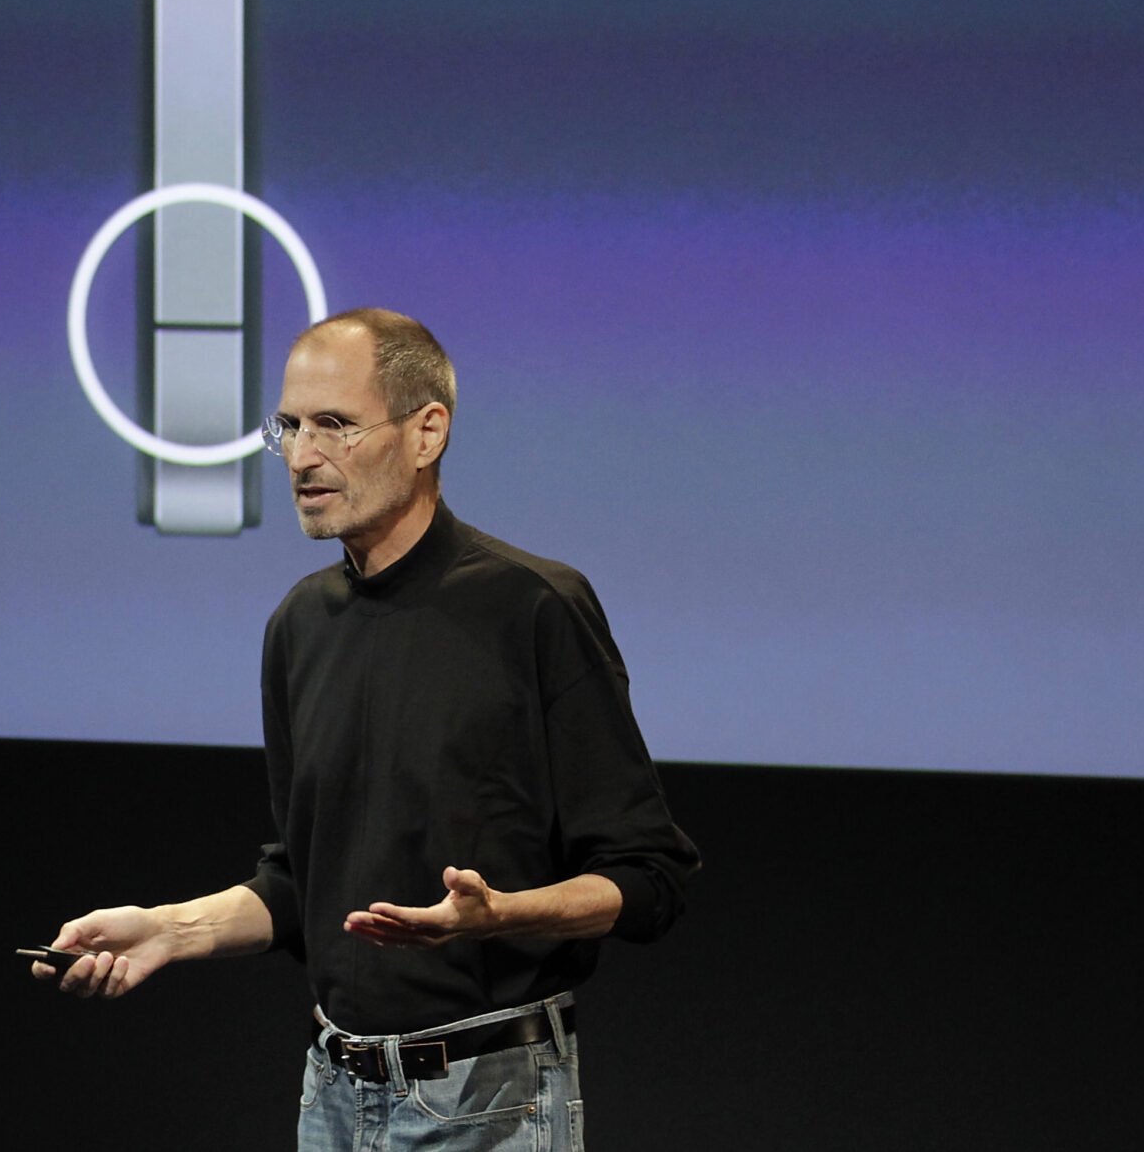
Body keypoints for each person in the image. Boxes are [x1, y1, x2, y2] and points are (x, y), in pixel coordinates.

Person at [36, 309, 698, 1150]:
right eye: (289, 426)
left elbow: (649, 878)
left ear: (427, 434)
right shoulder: (299, 626)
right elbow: (300, 882)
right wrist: (172, 929)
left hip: (489, 1099)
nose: (303, 456)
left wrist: (500, 914)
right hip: (335, 1095)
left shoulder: (535, 608)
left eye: (336, 425)